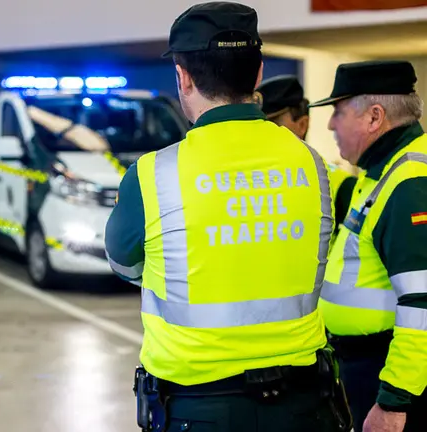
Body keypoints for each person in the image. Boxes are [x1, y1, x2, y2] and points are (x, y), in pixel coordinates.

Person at [105, 2, 350, 431]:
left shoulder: (152, 174)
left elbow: (125, 265)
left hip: (198, 409)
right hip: (304, 406)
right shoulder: (312, 166)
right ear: (257, 74)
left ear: (182, 77)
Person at [312, 60, 427, 432]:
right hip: (368, 368)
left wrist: (393, 402)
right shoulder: (382, 171)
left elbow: (422, 304)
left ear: (374, 117)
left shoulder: (410, 184)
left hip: (393, 378)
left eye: (338, 111)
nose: (330, 125)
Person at [257, 75, 356, 236]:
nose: (263, 134)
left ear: (302, 124)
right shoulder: (249, 181)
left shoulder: (340, 186)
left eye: (273, 125)